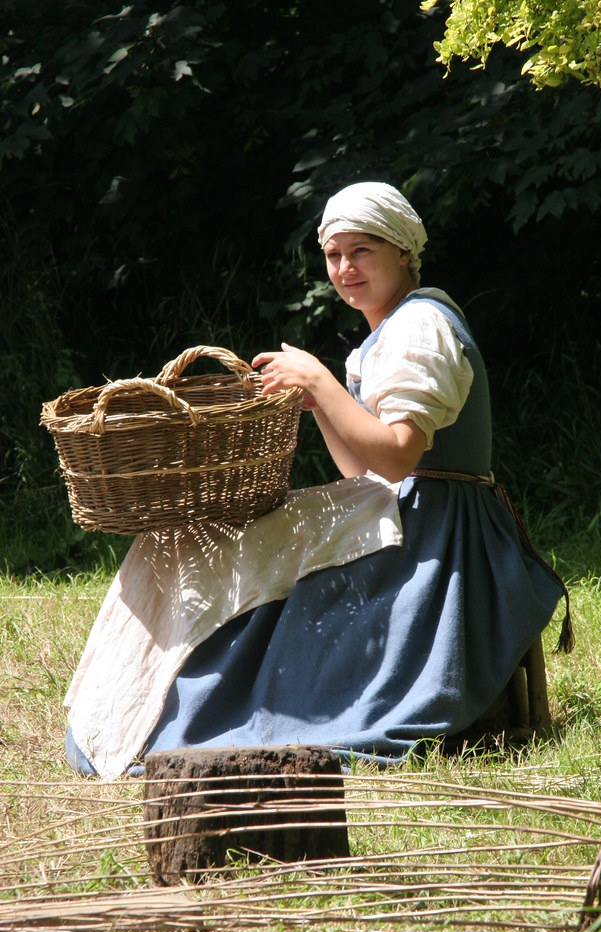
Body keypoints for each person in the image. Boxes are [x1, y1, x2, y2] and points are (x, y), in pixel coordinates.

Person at [64, 181, 571, 780]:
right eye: (333, 255)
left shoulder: (422, 327)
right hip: (402, 505)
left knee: (231, 550)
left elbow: (401, 456)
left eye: (361, 251)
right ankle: (158, 703)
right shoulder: (393, 328)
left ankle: (203, 711)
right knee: (194, 540)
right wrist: (320, 400)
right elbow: (363, 469)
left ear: (404, 251)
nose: (344, 268)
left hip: (440, 529)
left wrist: (323, 382)